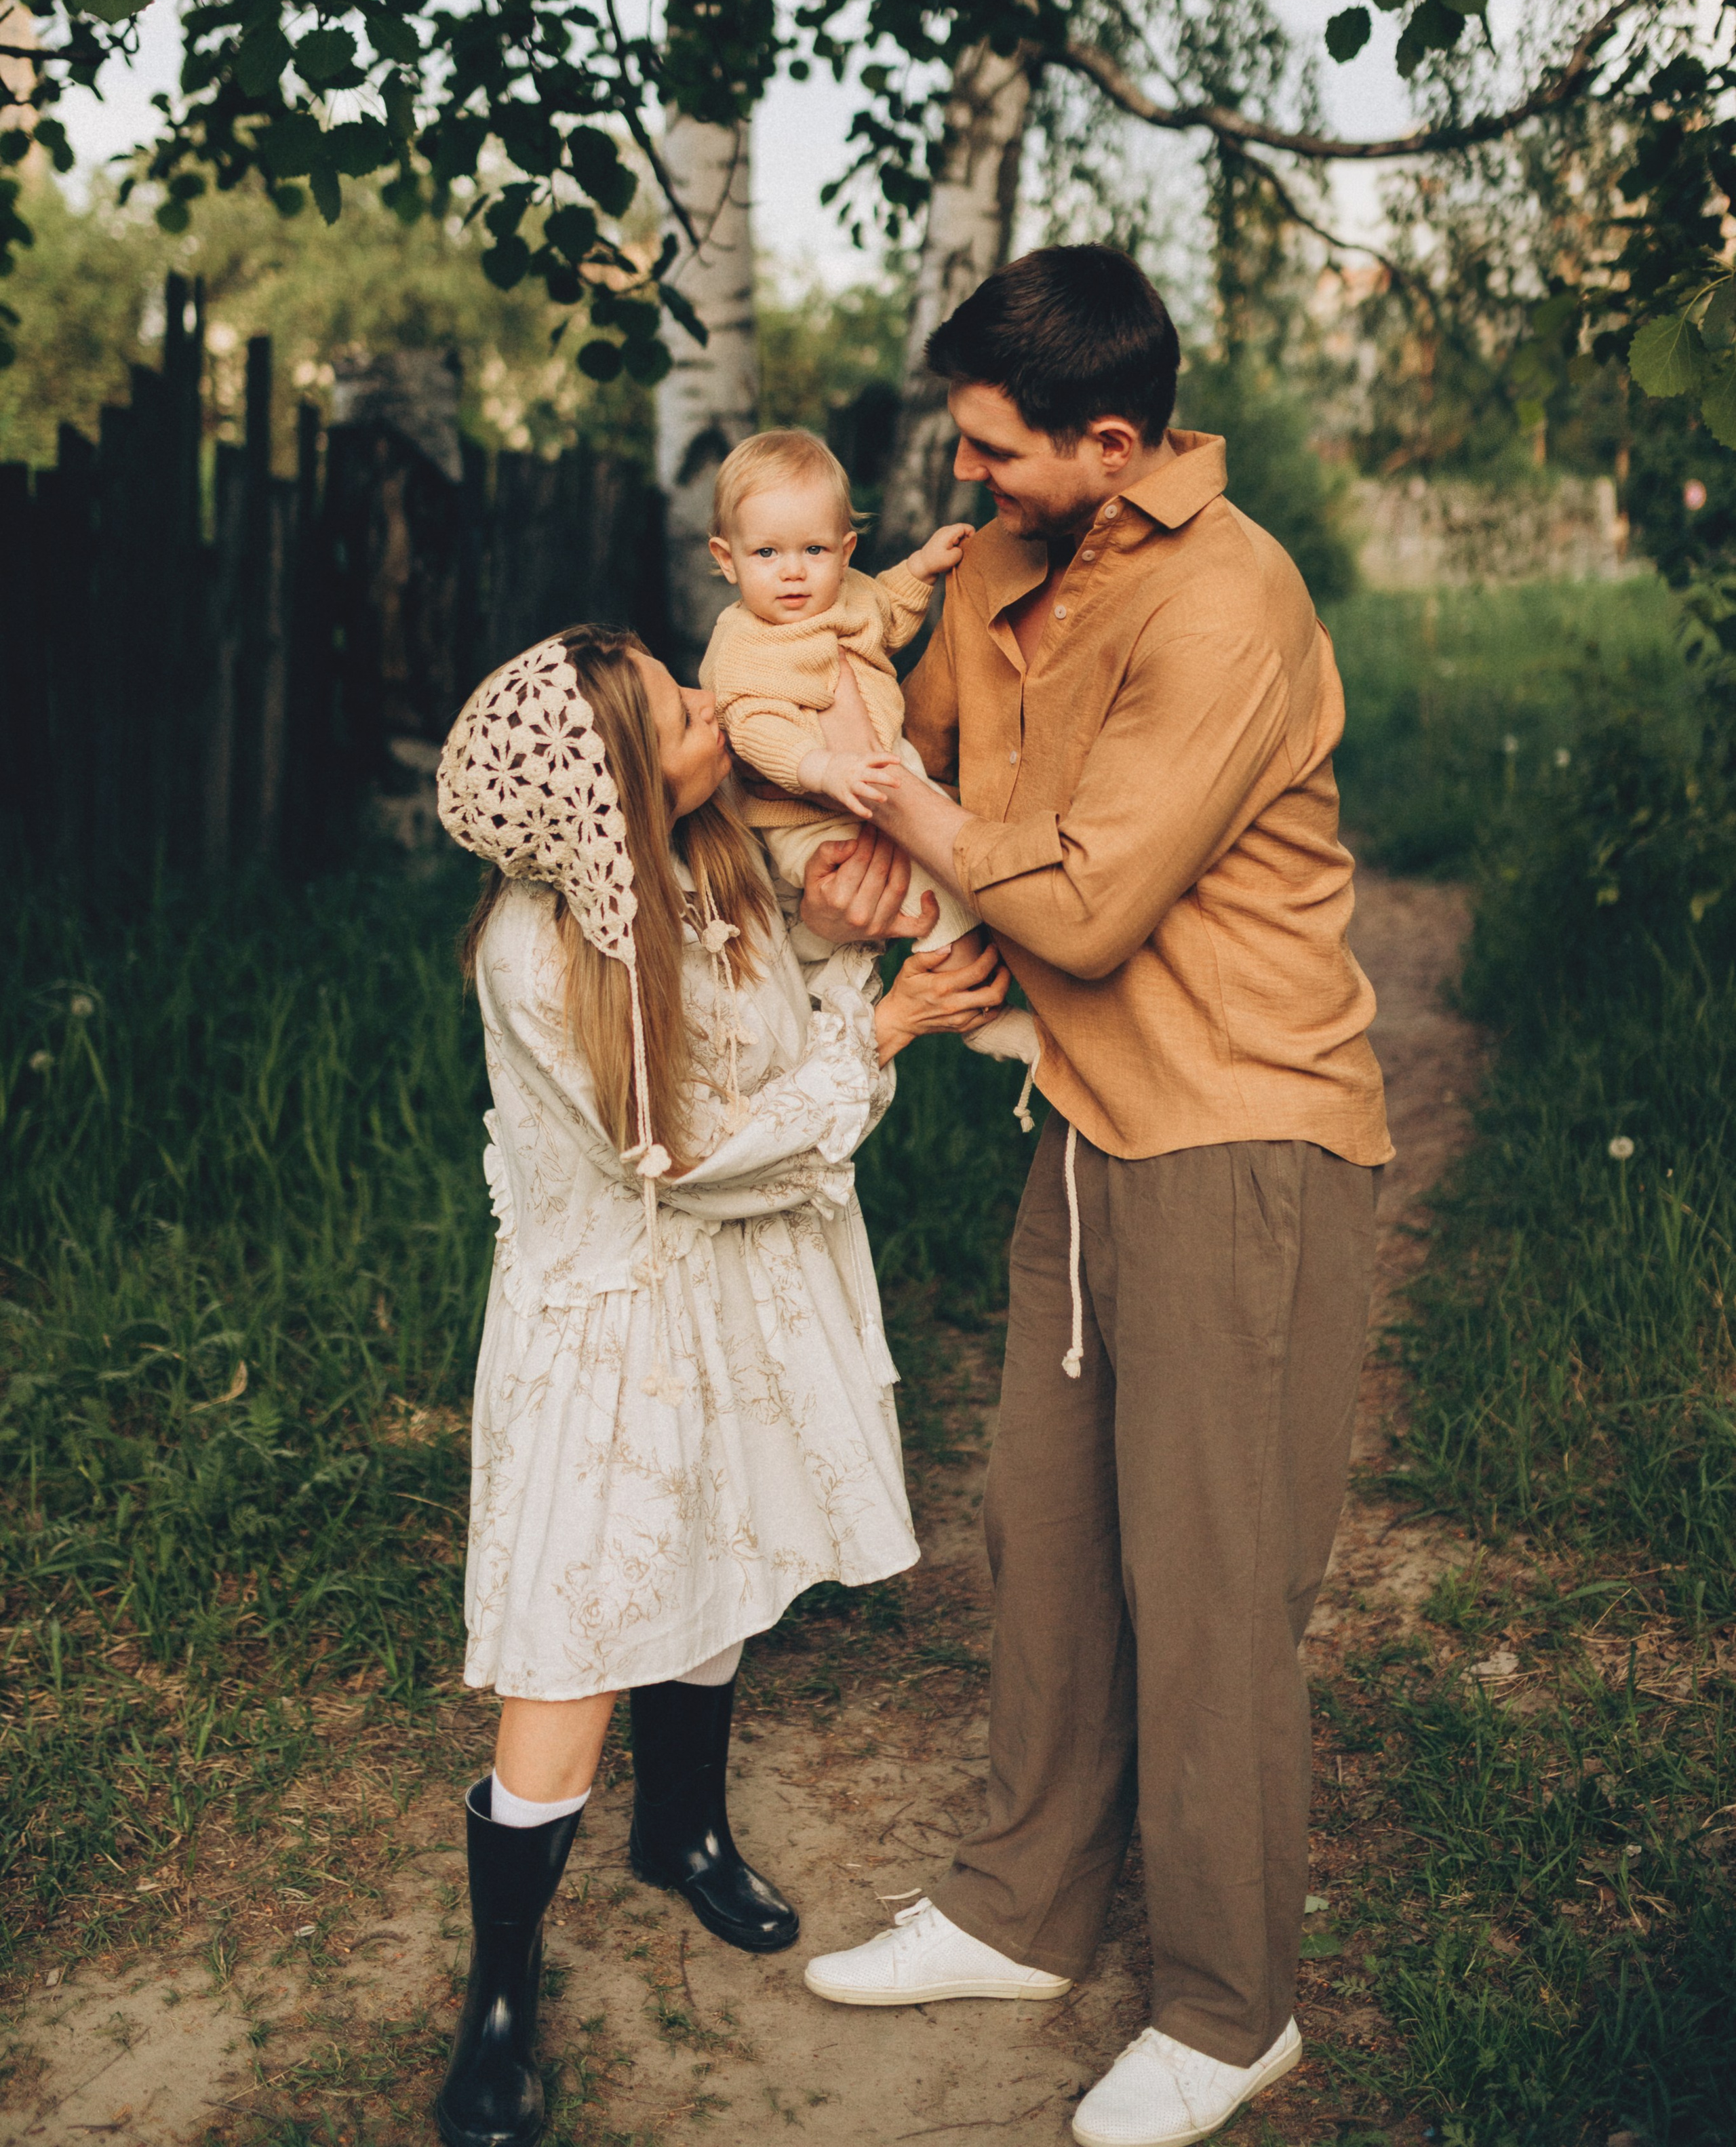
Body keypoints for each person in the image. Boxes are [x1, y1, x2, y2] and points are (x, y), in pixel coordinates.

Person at [802, 247, 1393, 2147]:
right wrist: (871, 850)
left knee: (1211, 1586)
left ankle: (1234, 2014)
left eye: (994, 453)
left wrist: (914, 817)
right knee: (1046, 1539)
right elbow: (924, 759)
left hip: (1240, 1121)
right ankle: (1020, 1909)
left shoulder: (1231, 603)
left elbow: (1079, 901)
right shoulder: (1002, 562)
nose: (966, 483)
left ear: (1113, 442)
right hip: (1087, 1111)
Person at [431, 623, 1008, 2147]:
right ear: (614, 787)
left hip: (721, 1311)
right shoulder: (536, 956)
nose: (717, 712)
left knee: (720, 1556)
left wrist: (821, 942)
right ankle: (500, 1991)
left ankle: (680, 1828)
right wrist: (876, 1033)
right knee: (571, 1634)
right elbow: (694, 1157)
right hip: (609, 1327)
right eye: (686, 714)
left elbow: (751, 1042)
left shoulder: (706, 863)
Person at [701, 426, 1041, 1090]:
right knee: (931, 893)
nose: (793, 570)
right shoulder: (745, 645)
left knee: (967, 864)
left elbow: (883, 611)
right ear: (727, 558)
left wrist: (921, 569)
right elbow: (754, 727)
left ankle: (1002, 962)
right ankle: (973, 1015)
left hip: (888, 776)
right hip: (811, 818)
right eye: (766, 552)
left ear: (845, 549)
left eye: (814, 550)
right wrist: (822, 769)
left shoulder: (846, 592)